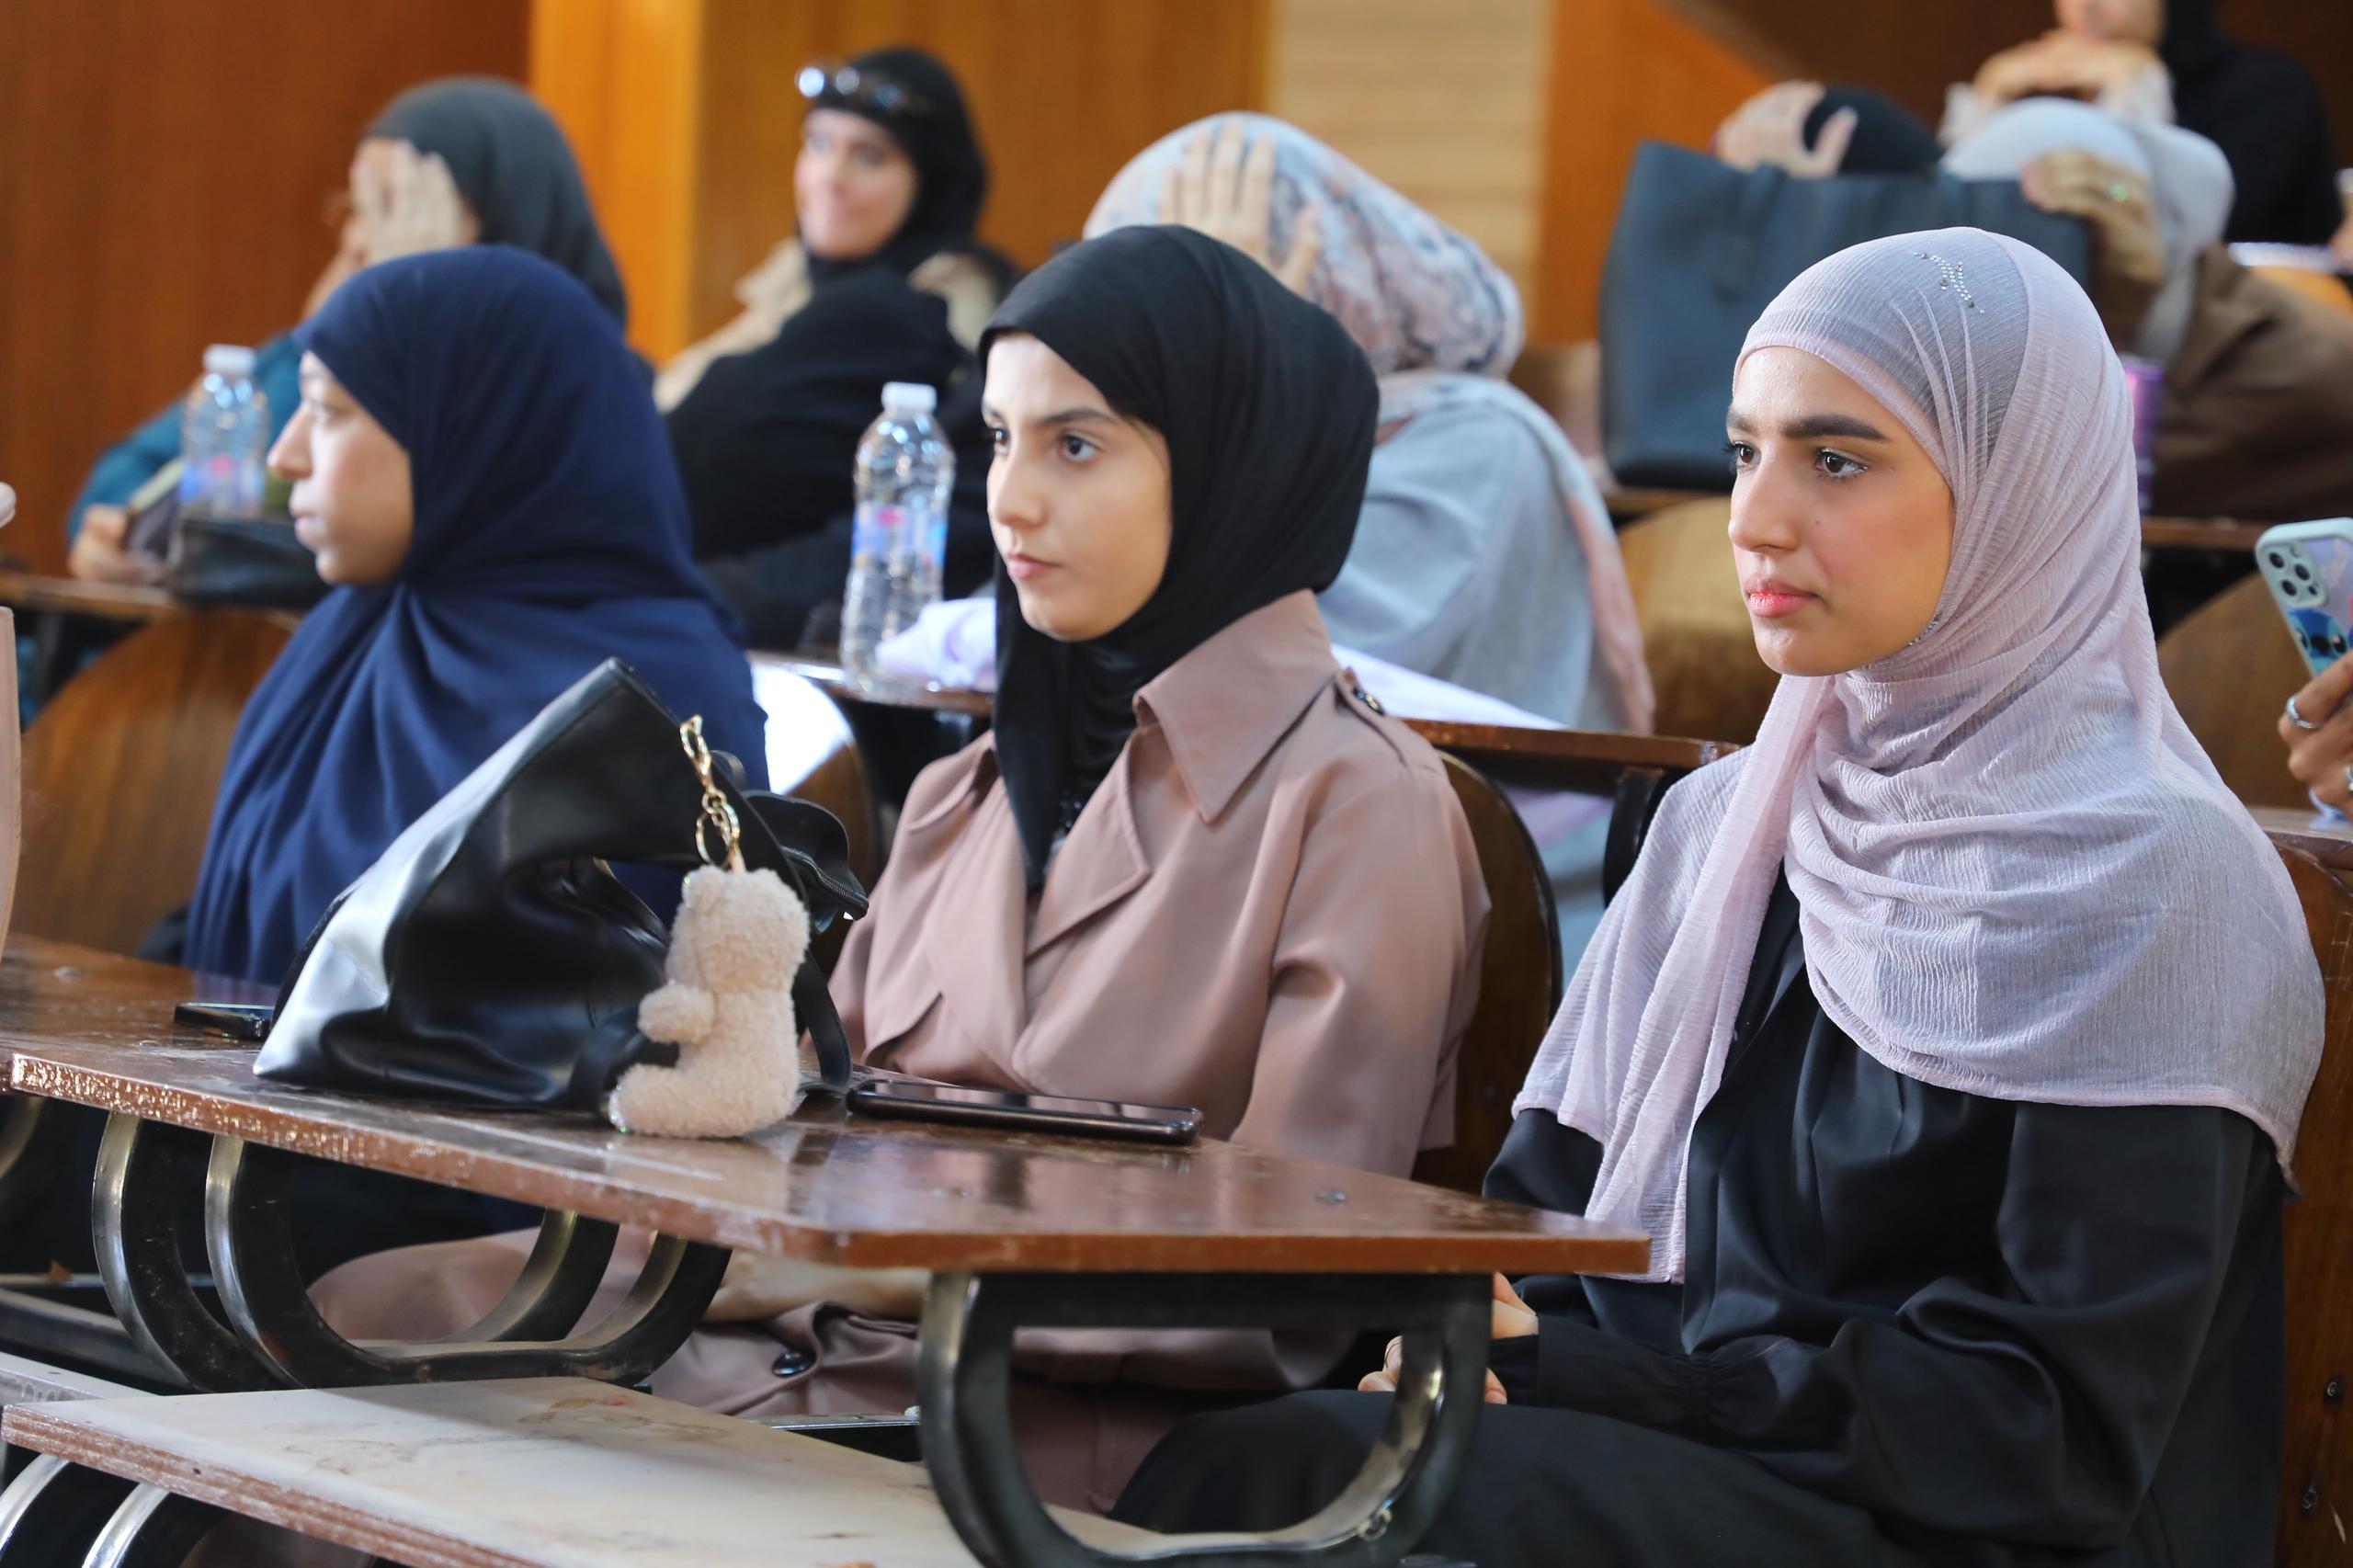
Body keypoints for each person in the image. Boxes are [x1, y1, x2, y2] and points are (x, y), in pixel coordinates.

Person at [1113, 229, 2324, 1565]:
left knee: (1301, 1478)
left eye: (1837, 459)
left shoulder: (2153, 878)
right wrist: (1489, 1352)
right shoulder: (1729, 827)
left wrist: (1612, 1388)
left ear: (2018, 490)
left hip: (1973, 1525)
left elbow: (2049, 1429)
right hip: (1709, 1457)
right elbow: (1547, 1240)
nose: (1752, 518)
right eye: (1746, 451)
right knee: (1279, 1462)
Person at [307, 224, 1490, 1516]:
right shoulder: (964, 792)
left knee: (430, 1414)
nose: (1010, 499)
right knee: (365, 1315)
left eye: (1075, 445)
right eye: (1001, 438)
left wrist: (876, 1267)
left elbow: (1294, 1277)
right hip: (799, 1348)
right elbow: (803, 1123)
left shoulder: (1360, 806)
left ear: (1230, 468)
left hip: (1033, 1436)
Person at [1086, 114, 1654, 957]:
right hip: (1277, 874)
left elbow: (1260, 669)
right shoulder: (1262, 440)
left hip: (1477, 929)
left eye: (1182, 308)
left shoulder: (1476, 442)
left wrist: (1241, 361)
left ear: (1319, 275)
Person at [67, 77, 625, 586]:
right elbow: (118, 483)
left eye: (392, 207)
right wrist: (116, 539)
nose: (360, 240)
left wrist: (409, 305)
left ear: (508, 218)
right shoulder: (307, 341)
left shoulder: (597, 393)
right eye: (357, 208)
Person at [658, 48, 1010, 647]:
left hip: (773, 635)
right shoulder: (787, 288)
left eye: (869, 157)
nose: (830, 177)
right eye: (818, 144)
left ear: (930, 183)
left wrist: (693, 599)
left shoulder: (938, 324)